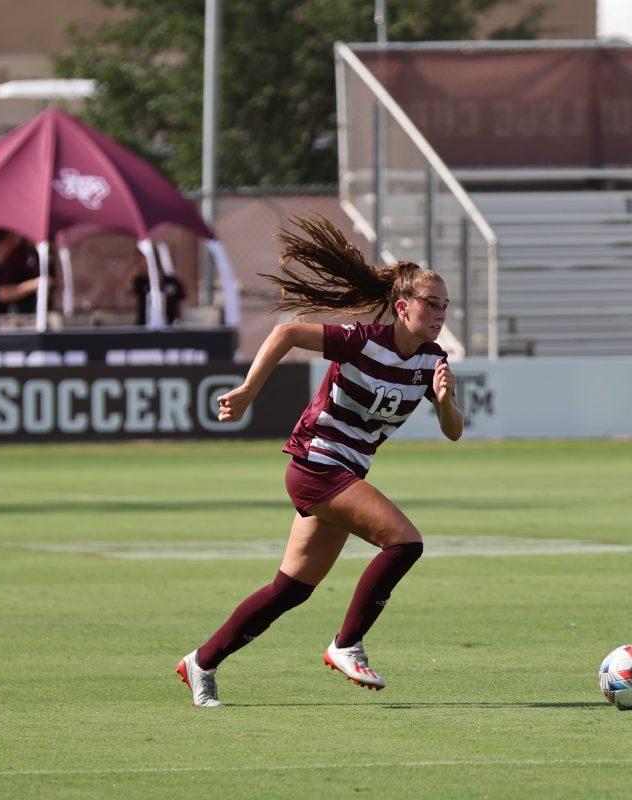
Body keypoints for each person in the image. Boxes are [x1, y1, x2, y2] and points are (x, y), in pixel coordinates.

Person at [175, 214, 464, 708]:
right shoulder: (362, 340)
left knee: (290, 590)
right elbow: (288, 333)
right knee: (404, 542)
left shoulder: (430, 362)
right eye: (429, 303)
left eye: (444, 305)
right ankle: (346, 643)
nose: (438, 313)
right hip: (316, 464)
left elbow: (454, 431)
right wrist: (248, 392)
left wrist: (445, 400)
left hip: (345, 473)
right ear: (402, 306)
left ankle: (201, 661)